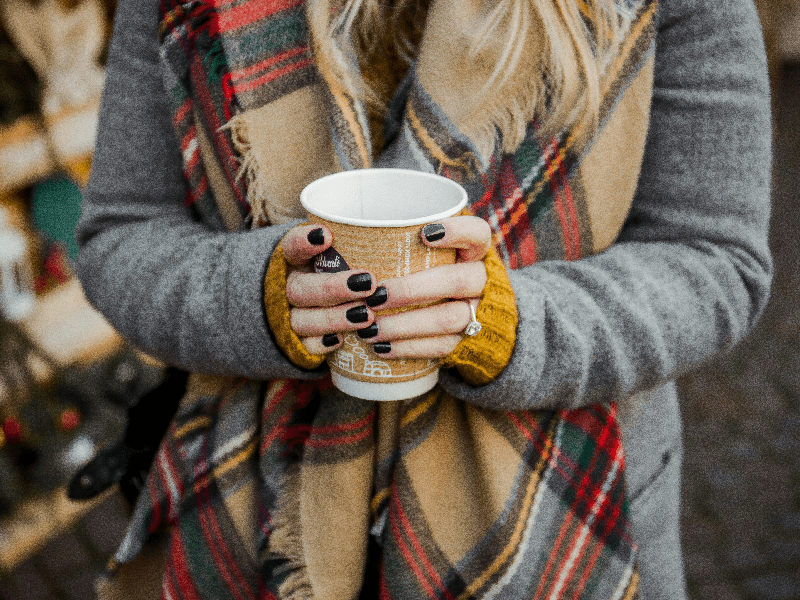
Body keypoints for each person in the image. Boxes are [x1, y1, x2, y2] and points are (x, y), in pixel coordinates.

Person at [75, 0, 772, 598]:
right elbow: (121, 234)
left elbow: (714, 257)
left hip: (568, 524)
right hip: (257, 528)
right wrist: (256, 299)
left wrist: (514, 327)